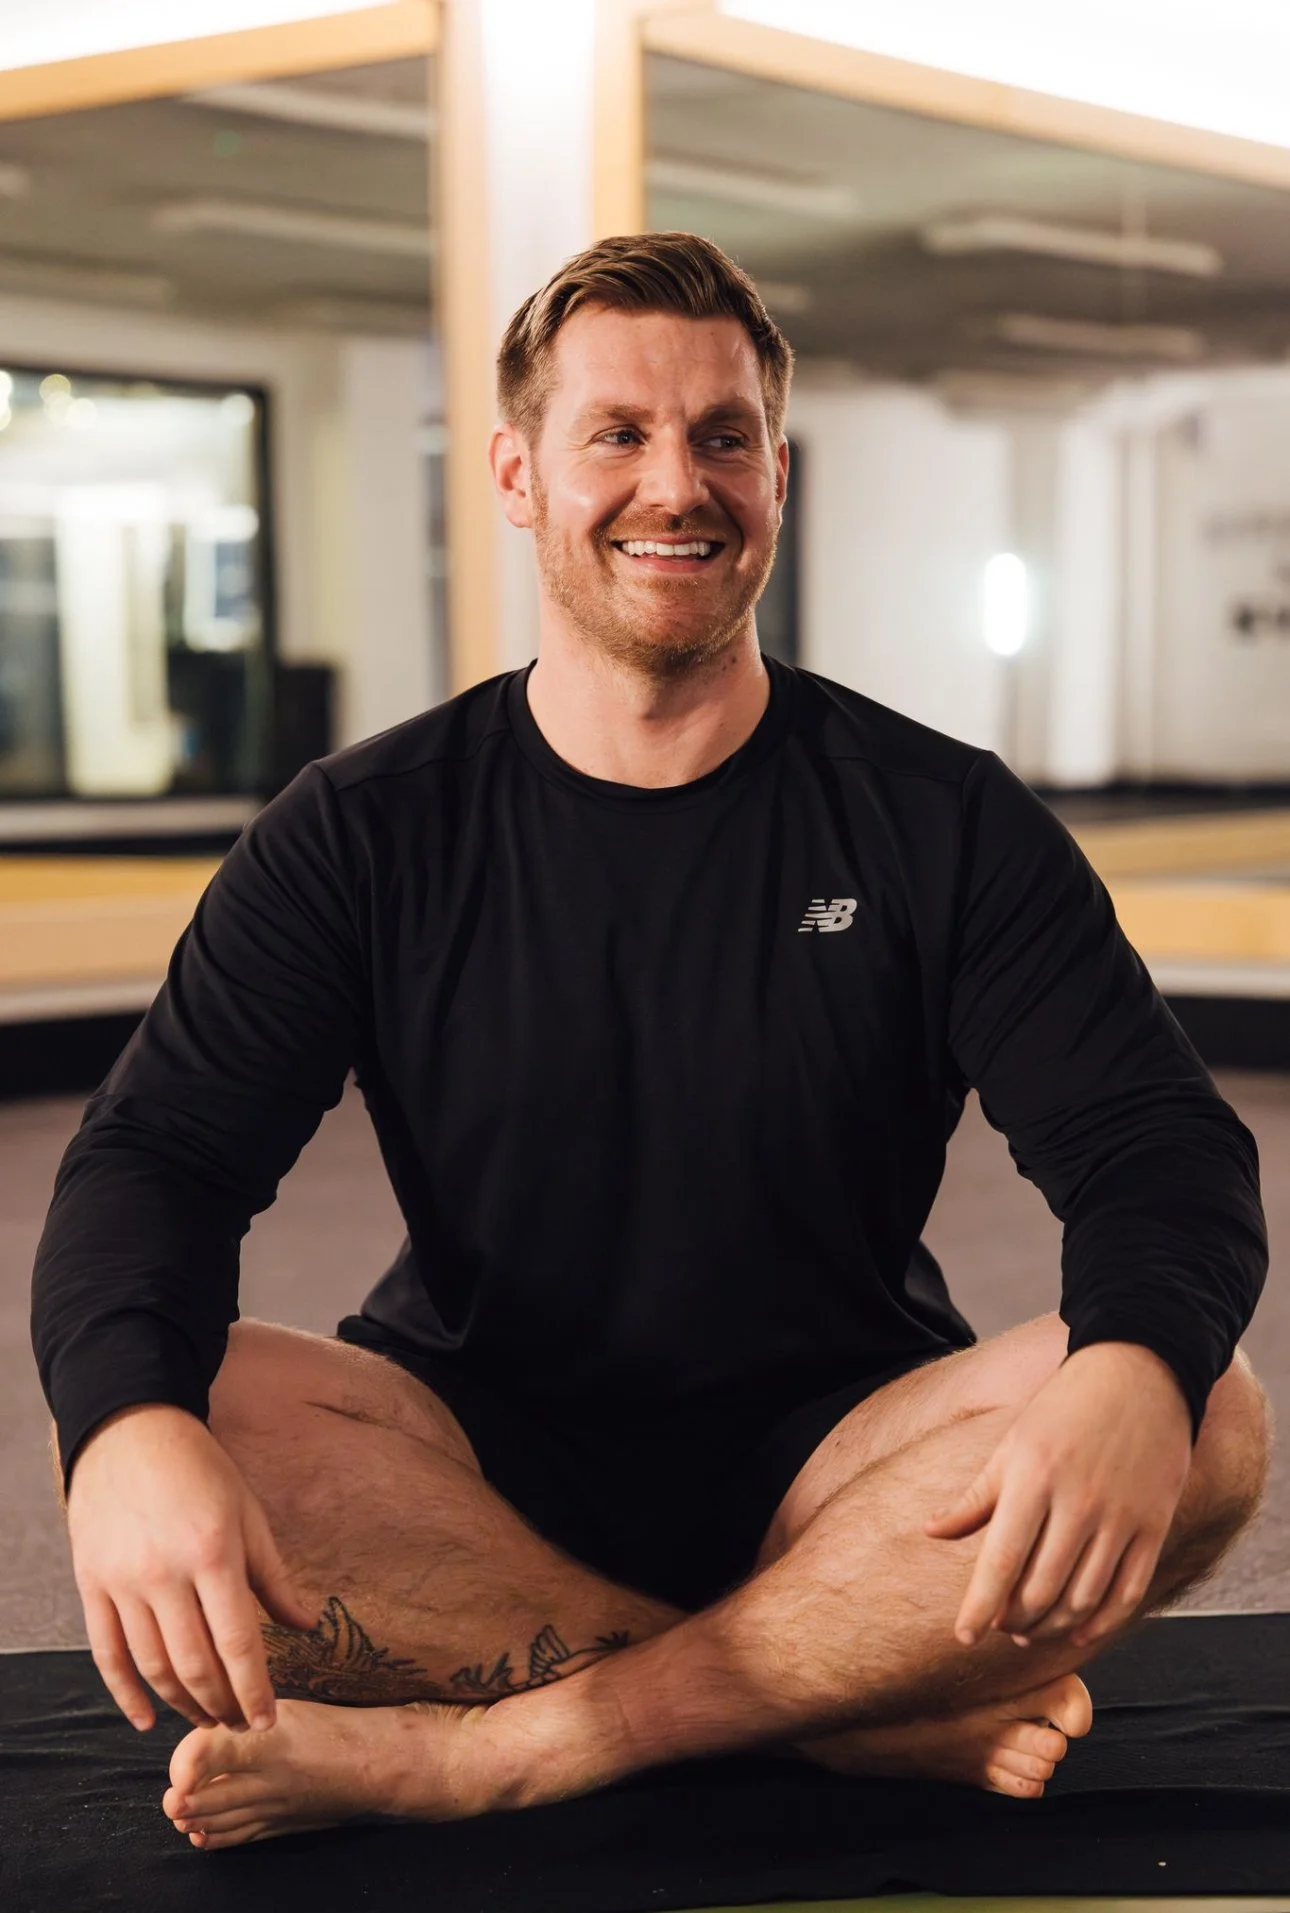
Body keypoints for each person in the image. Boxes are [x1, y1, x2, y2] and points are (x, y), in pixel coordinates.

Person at [33, 232, 1270, 1852]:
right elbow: (158, 1160)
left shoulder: (938, 819)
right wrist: (125, 1434)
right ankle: (838, 1703)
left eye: (722, 437)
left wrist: (1128, 1367)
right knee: (164, 1397)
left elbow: (1154, 1147)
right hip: (472, 1462)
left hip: (847, 1462)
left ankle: (506, 1750)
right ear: (517, 475)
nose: (674, 485)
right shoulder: (362, 831)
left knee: (1202, 1405)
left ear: (775, 475)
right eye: (615, 433)